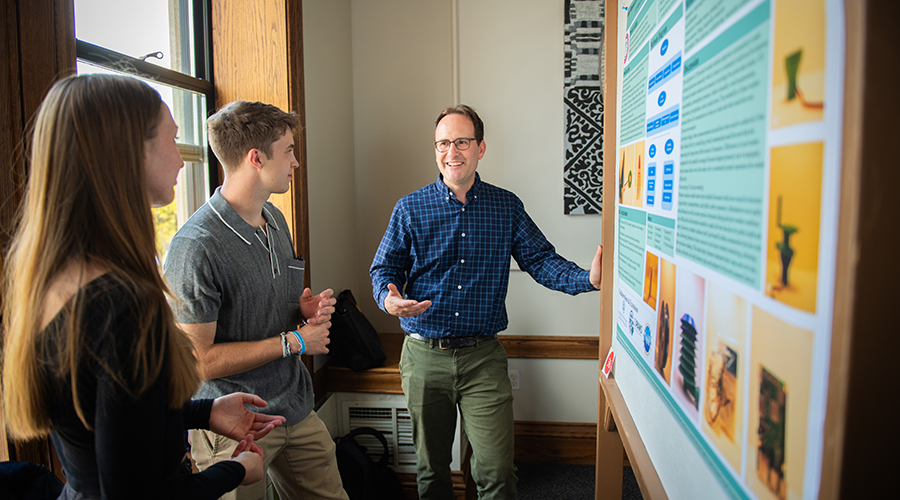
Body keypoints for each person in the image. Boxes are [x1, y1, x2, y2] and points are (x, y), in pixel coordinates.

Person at [1, 74, 285, 500]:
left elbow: (110, 421)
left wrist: (204, 411)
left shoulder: (56, 279)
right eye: (171, 139)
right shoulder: (122, 304)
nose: (182, 160)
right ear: (129, 152)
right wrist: (234, 470)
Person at [370, 104, 603, 499]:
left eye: (461, 142)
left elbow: (542, 261)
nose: (451, 152)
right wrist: (388, 301)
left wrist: (588, 279)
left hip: (483, 359)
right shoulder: (409, 208)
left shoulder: (506, 206)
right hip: (424, 358)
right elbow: (383, 270)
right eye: (443, 143)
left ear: (480, 148)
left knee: (496, 472)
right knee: (432, 471)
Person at [163, 100, 349, 500]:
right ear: (255, 158)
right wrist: (294, 342)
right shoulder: (196, 247)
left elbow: (267, 307)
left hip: (295, 408)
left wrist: (300, 312)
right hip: (234, 423)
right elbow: (199, 360)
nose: (295, 162)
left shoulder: (275, 219)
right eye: (288, 151)